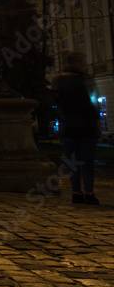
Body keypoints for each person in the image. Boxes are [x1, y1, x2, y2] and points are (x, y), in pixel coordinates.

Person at [54, 51, 101, 204]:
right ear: (75, 63)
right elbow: (94, 101)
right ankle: (88, 192)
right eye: (81, 61)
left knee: (73, 163)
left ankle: (76, 192)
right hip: (86, 127)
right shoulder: (84, 80)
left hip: (69, 128)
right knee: (87, 162)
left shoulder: (59, 81)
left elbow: (57, 105)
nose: (83, 64)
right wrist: (95, 117)